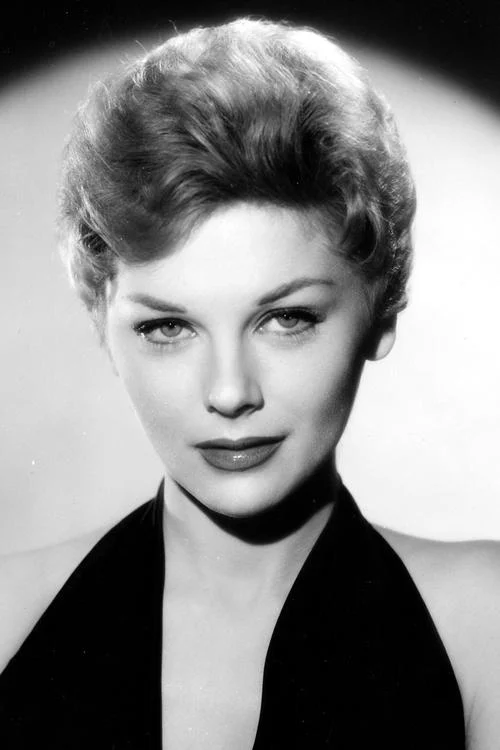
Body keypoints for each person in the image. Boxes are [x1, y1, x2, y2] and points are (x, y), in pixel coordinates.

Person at [0, 16, 499, 750]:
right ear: (103, 325)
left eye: (287, 319)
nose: (230, 392)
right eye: (167, 327)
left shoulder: (483, 625)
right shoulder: (9, 617)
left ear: (382, 310)